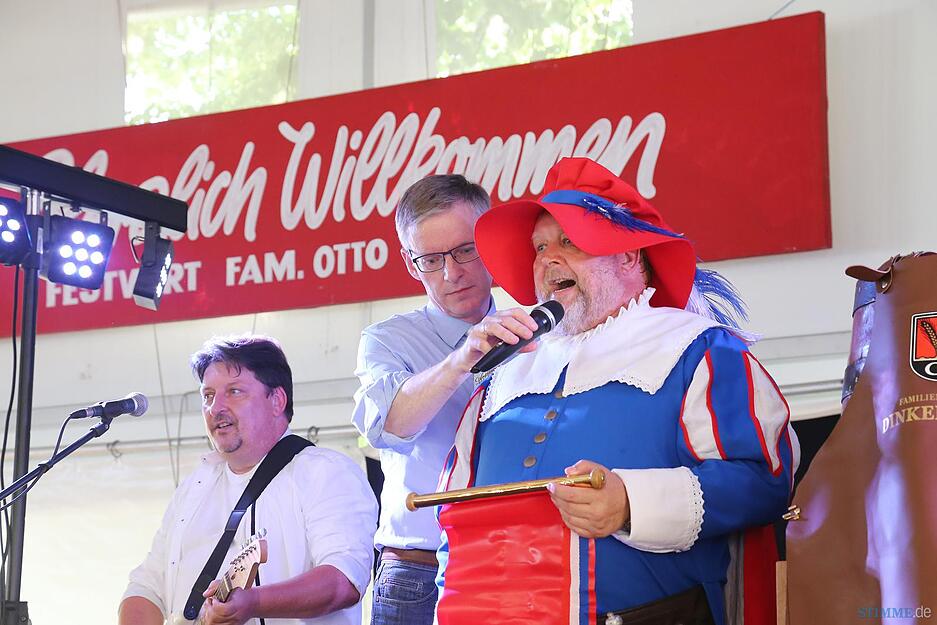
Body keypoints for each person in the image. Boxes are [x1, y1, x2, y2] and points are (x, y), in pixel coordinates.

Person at [437, 158, 800, 625]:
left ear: (628, 255)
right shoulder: (503, 372)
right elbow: (454, 515)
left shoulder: (699, 347)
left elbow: (763, 480)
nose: (547, 259)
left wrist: (631, 501)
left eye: (569, 241)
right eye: (539, 246)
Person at [351, 174, 540, 625]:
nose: (452, 273)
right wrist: (462, 358)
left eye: (465, 250)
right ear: (410, 264)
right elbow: (390, 423)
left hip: (518, 564)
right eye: (431, 260)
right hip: (417, 572)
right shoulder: (387, 340)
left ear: (490, 241)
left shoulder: (538, 329)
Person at [119, 335, 377, 625]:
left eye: (234, 391)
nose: (216, 408)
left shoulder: (325, 472)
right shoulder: (195, 486)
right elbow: (147, 585)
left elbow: (342, 581)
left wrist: (254, 603)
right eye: (208, 396)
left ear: (277, 400)